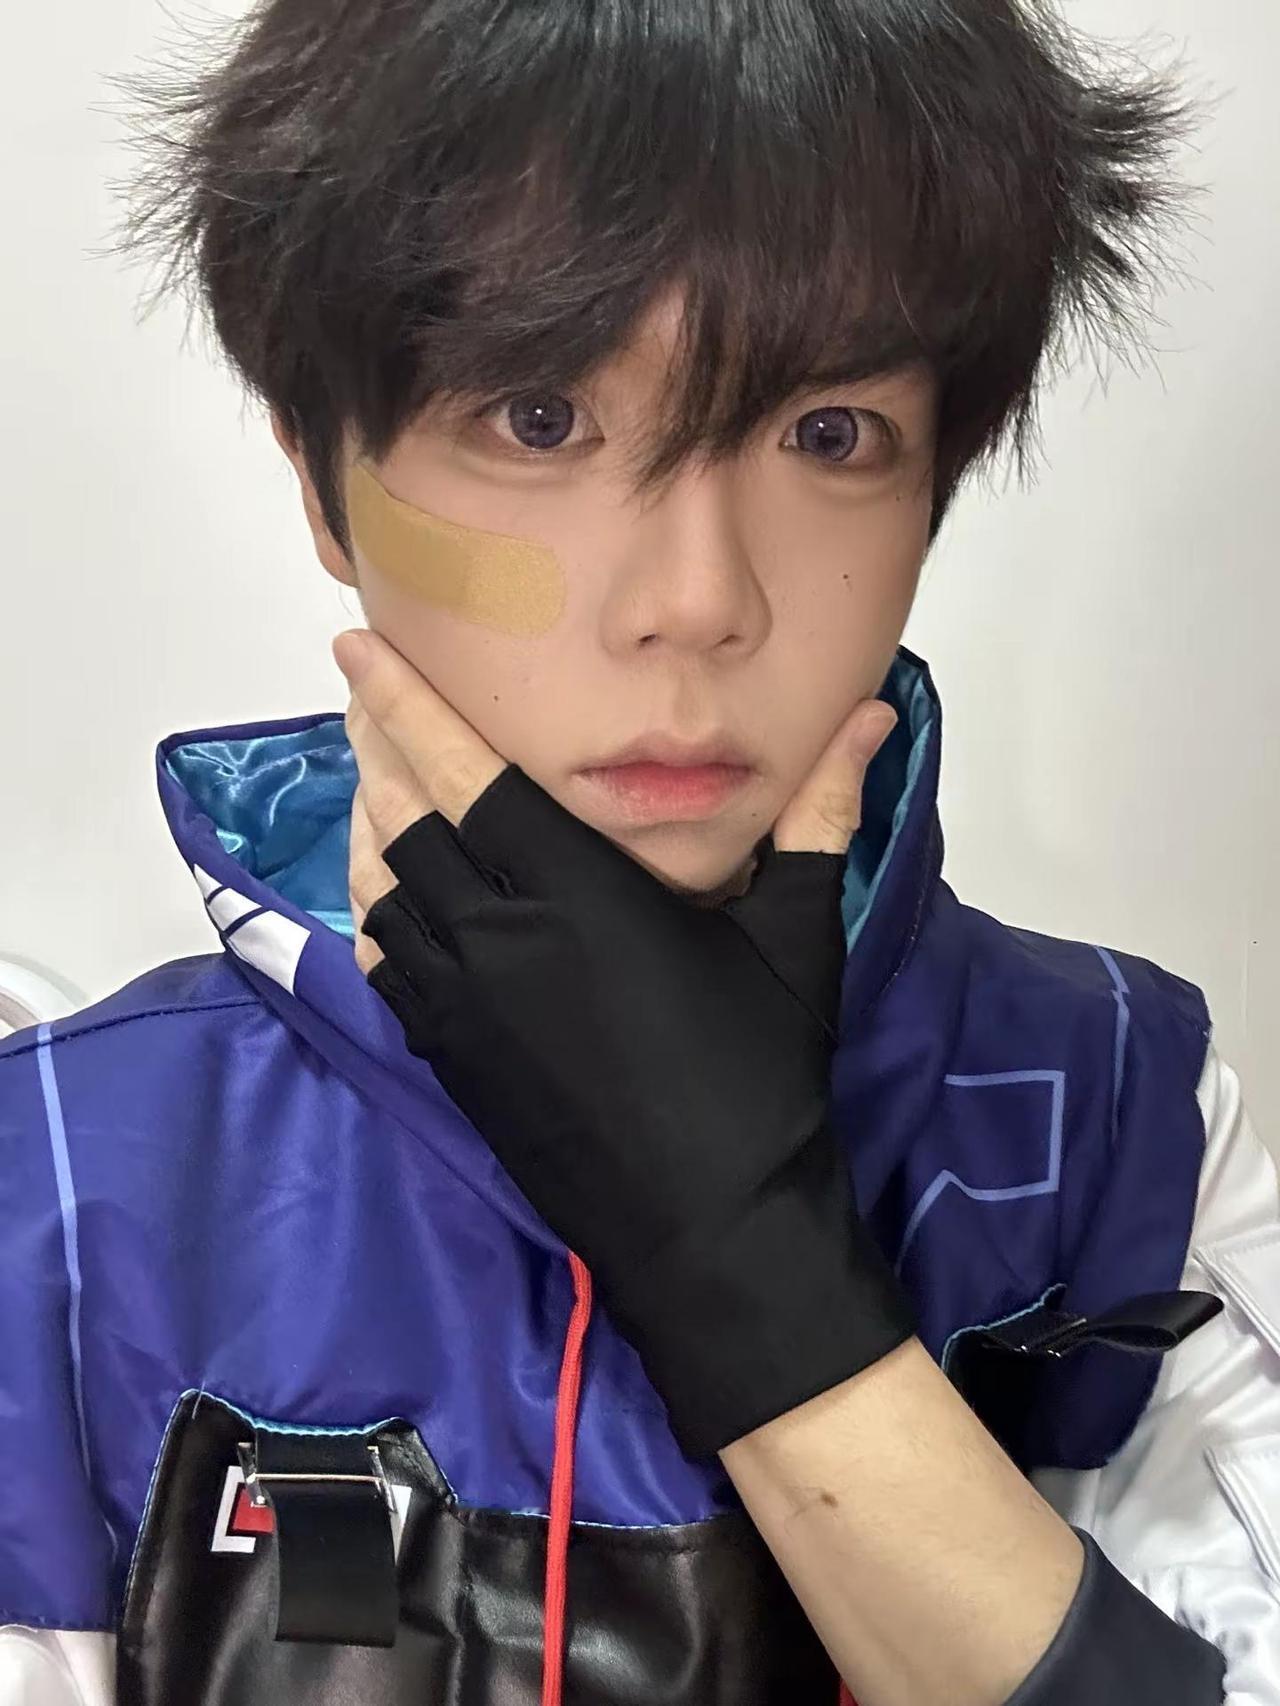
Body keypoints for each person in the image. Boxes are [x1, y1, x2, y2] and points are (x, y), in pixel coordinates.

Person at [1, 1, 1276, 1702]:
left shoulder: (1129, 1117)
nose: (698, 599)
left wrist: (755, 1273)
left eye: (829, 432)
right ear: (320, 479)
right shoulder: (59, 1180)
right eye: (539, 418)